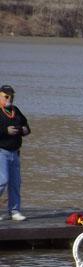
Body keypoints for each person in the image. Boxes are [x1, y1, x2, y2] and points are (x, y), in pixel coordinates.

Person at [0, 84, 30, 221]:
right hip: (2, 152)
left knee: (15, 182)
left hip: (15, 152)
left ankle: (14, 210)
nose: (9, 99)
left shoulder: (15, 110)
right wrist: (6, 131)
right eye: (6, 96)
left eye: (11, 96)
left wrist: (24, 130)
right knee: (2, 180)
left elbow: (26, 125)